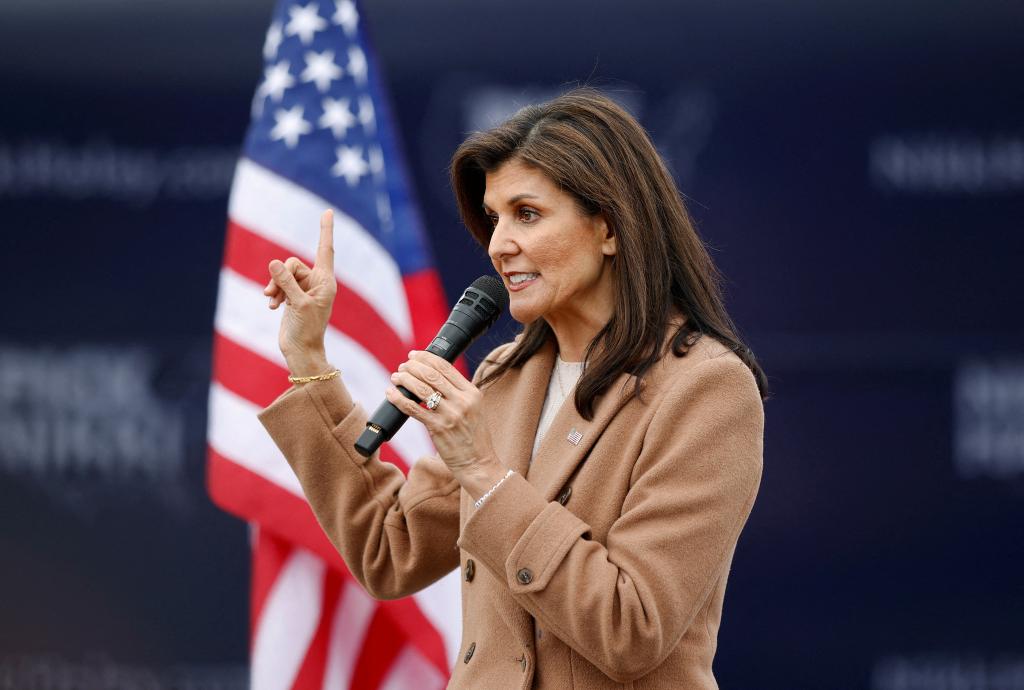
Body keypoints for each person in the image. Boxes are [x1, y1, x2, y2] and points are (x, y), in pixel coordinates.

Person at [259, 87, 767, 689]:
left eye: (527, 214)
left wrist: (481, 470)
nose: (499, 244)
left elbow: (632, 628)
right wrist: (308, 357)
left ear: (609, 227)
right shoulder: (504, 376)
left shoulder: (706, 389)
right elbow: (388, 548)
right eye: (495, 218)